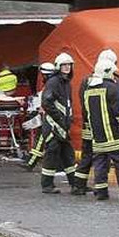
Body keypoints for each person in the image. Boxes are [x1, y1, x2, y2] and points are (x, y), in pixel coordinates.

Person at [83, 57, 119, 201]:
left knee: (100, 165)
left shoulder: (88, 90)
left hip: (98, 138)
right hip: (114, 136)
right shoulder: (112, 88)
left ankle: (102, 192)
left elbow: (87, 113)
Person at [71, 49, 119, 195]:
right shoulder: (113, 82)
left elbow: (83, 103)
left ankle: (79, 185)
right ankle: (100, 187)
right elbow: (117, 104)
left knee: (87, 155)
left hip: (89, 125)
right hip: (106, 128)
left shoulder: (86, 81)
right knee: (103, 157)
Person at [38, 57, 78, 193]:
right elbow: (47, 102)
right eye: (64, 65)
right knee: (52, 154)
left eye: (69, 65)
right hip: (53, 126)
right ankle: (47, 185)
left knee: (68, 154)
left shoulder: (66, 83)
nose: (67, 67)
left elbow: (67, 104)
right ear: (58, 67)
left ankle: (75, 184)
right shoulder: (54, 82)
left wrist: (67, 120)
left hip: (62, 125)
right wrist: (60, 119)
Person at [25, 63, 59, 170]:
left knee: (41, 138)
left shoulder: (51, 84)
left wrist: (41, 108)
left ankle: (31, 163)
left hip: (49, 115)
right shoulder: (57, 83)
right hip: (55, 115)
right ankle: (32, 162)